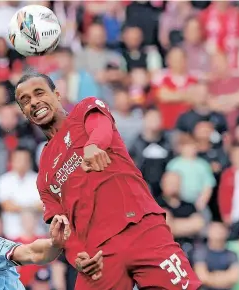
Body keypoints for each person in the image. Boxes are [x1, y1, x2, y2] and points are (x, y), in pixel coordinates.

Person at [15, 72, 202, 290]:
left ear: (57, 94)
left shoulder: (86, 108)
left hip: (141, 228)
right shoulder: (44, 174)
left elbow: (100, 128)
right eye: (25, 101)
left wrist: (94, 145)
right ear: (24, 113)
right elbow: (64, 229)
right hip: (98, 256)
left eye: (39, 93)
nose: (34, 102)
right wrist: (78, 257)